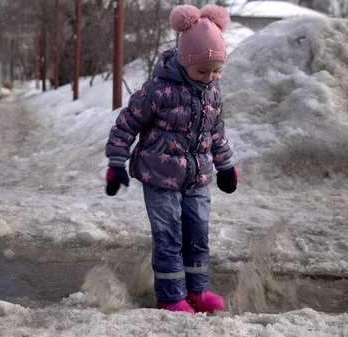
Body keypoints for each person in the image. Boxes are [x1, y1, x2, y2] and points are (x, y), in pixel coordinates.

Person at [104, 4, 238, 314]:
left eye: (217, 70)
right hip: (159, 177)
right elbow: (127, 125)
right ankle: (170, 295)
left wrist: (226, 166)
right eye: (202, 71)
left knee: (198, 233)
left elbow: (215, 133)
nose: (210, 77)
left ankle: (198, 291)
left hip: (197, 177)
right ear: (183, 60)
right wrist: (115, 162)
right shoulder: (158, 91)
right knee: (169, 236)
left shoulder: (213, 93)